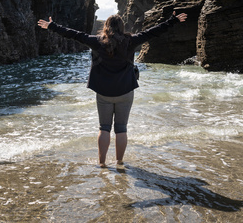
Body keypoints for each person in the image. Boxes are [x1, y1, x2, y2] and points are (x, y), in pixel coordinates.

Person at [37, 11, 187, 167]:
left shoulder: (96, 41)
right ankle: (119, 162)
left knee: (104, 128)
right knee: (121, 129)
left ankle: (101, 163)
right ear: (122, 27)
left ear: (106, 27)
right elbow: (152, 32)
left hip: (104, 93)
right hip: (125, 91)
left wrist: (52, 26)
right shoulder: (131, 41)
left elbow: (75, 35)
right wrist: (172, 21)